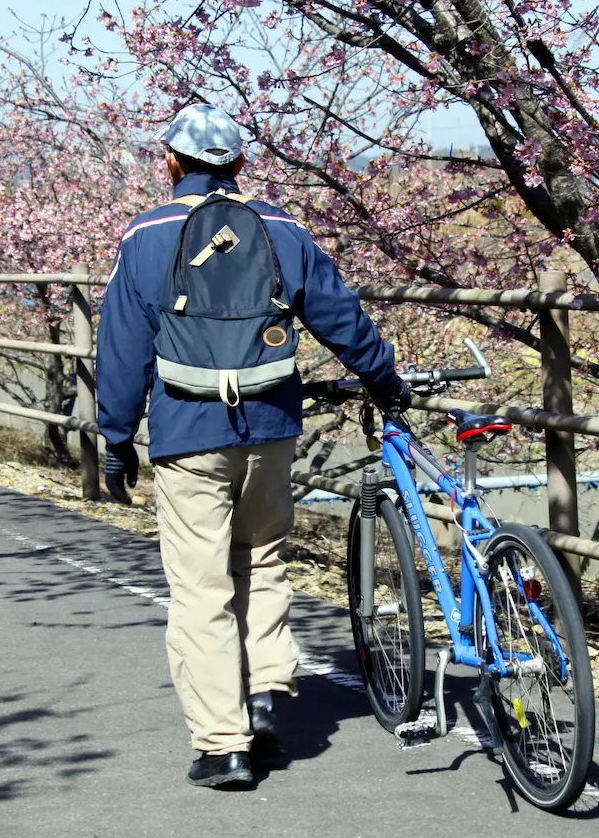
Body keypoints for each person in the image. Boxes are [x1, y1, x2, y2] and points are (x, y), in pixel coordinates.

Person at [95, 102, 410, 789]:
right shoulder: (280, 227)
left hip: (186, 431)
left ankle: (223, 745)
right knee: (261, 559)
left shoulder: (146, 235)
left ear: (170, 162)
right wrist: (383, 380)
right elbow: (339, 314)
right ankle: (266, 695)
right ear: (240, 165)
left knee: (201, 585)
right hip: (269, 426)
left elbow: (120, 347)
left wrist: (116, 439)